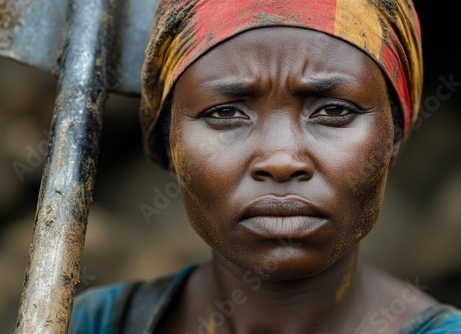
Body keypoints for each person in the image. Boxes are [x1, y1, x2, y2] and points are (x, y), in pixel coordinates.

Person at [70, 0, 461, 333]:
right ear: (168, 144)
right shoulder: (94, 323)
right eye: (225, 112)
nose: (281, 160)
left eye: (333, 110)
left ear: (392, 137)